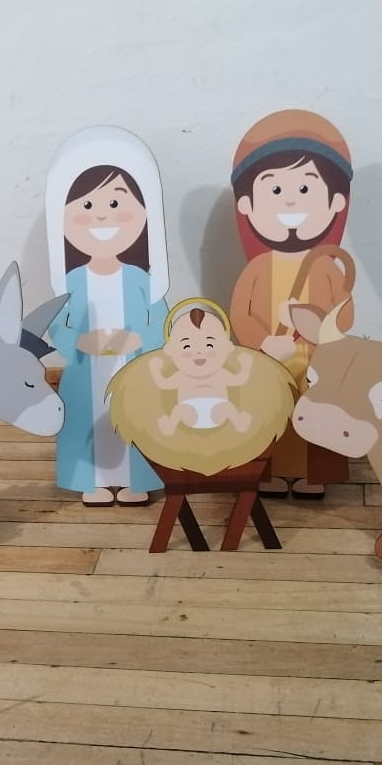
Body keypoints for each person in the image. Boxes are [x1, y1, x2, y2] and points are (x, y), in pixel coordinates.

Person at [229, 109, 356, 498]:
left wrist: (313, 330)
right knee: (269, 411)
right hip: (269, 360)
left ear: (336, 202)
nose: (289, 201)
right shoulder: (257, 268)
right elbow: (240, 313)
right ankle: (268, 471)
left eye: (304, 189)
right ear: (247, 205)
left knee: (316, 411)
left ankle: (312, 473)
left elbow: (344, 316)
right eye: (274, 191)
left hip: (314, 362)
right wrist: (264, 341)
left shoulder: (326, 266)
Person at [45, 126, 169, 507]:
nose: (102, 215)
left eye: (115, 203)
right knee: (88, 420)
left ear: (144, 213)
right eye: (86, 207)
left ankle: (137, 478)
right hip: (87, 368)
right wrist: (79, 341)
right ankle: (92, 480)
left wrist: (140, 339)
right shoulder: (71, 281)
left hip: (133, 366)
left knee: (135, 417)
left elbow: (160, 319)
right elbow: (56, 321)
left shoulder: (141, 279)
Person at [150, 299, 254, 436]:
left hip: (217, 410)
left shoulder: (220, 373)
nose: (199, 353)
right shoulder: (182, 375)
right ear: (171, 350)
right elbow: (164, 384)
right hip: (190, 411)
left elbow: (238, 380)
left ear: (226, 347)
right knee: (180, 410)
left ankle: (239, 422)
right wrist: (155, 370)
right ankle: (170, 425)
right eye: (187, 346)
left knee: (227, 407)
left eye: (209, 345)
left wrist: (246, 366)